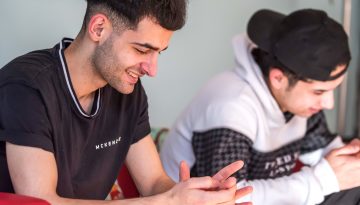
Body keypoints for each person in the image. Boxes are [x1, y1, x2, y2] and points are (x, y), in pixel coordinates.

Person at [0, 0, 253, 204]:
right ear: (99, 28)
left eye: (158, 53)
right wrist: (170, 202)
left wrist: (196, 196)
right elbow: (40, 201)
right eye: (142, 50)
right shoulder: (26, 86)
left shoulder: (128, 91)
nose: (152, 69)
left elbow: (154, 183)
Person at [160, 8, 360, 205]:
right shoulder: (230, 108)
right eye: (319, 92)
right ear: (278, 78)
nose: (329, 104)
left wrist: (351, 160)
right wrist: (319, 181)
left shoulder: (299, 102)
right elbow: (228, 199)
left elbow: (322, 151)